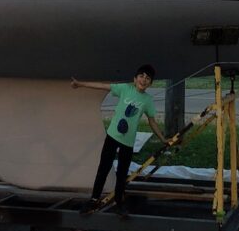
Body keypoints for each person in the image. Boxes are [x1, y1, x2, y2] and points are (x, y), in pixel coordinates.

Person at [71, 64, 169, 217]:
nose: (144, 80)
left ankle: (119, 203)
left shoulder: (147, 100)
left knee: (122, 174)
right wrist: (80, 84)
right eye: (141, 76)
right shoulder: (125, 88)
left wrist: (163, 139)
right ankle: (94, 199)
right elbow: (102, 86)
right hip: (112, 137)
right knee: (103, 168)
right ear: (135, 79)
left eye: (147, 78)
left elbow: (152, 121)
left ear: (150, 83)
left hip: (128, 142)